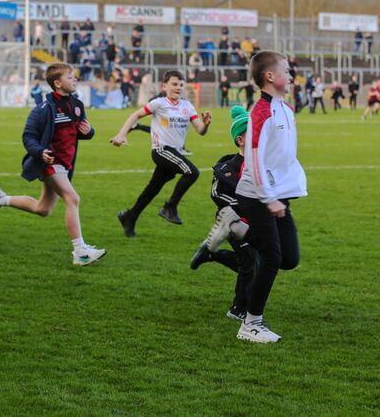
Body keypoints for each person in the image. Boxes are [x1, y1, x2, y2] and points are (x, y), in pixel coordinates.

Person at [0, 63, 107, 266]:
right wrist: (40, 152)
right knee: (72, 198)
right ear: (57, 83)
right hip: (49, 163)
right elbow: (28, 137)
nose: (75, 79)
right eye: (70, 76)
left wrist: (89, 132)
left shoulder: (77, 105)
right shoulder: (43, 109)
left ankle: (0, 199)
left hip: (65, 165)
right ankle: (80, 251)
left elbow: (80, 132)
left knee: (43, 209)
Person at [234, 50, 306, 343]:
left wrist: (288, 190)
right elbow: (254, 159)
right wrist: (268, 197)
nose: (291, 75)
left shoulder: (286, 109)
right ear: (270, 76)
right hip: (257, 195)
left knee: (289, 258)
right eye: (286, 70)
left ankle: (240, 231)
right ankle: (250, 324)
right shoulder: (260, 113)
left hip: (278, 196)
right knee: (273, 257)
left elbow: (285, 158)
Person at [111, 70, 211, 237]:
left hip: (174, 153)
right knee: (192, 172)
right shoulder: (159, 103)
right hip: (161, 150)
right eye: (174, 84)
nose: (178, 87)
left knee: (152, 189)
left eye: (180, 84)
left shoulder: (188, 106)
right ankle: (170, 207)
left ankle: (130, 216)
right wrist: (121, 135)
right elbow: (135, 115)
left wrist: (206, 124)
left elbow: (200, 130)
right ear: (164, 86)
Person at [189, 105, 256, 321]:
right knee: (249, 263)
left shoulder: (261, 163)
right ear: (240, 140)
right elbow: (217, 194)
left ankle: (212, 254)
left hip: (256, 221)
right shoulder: (227, 167)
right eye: (253, 132)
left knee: (253, 264)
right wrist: (242, 207)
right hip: (232, 222)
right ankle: (238, 309)